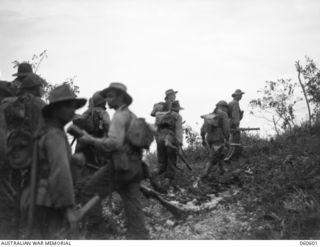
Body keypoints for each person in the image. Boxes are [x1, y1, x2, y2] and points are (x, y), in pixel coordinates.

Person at [78, 82, 149, 239]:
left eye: (110, 96)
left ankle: (97, 235)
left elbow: (113, 143)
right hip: (135, 166)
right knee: (133, 206)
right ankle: (140, 237)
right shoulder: (131, 115)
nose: (107, 100)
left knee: (88, 192)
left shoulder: (118, 116)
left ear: (120, 97)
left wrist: (90, 140)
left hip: (119, 166)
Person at [21, 84, 86, 239]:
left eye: (74, 106)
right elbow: (60, 171)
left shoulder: (45, 132)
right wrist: (68, 207)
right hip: (48, 201)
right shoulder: (55, 135)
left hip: (34, 198)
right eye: (68, 106)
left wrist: (73, 161)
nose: (73, 110)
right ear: (55, 110)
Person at [72, 91, 111, 238]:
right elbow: (109, 128)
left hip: (82, 154)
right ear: (103, 103)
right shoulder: (102, 113)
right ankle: (95, 226)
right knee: (94, 188)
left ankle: (81, 220)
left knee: (82, 186)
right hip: (95, 154)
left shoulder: (85, 114)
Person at [151, 100, 183, 192]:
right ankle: (165, 188)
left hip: (160, 138)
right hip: (170, 139)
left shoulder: (159, 115)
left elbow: (156, 130)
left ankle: (152, 175)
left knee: (161, 165)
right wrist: (179, 146)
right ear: (176, 109)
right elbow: (179, 132)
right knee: (171, 163)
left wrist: (158, 141)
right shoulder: (177, 116)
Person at [200, 100, 230, 182]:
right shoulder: (223, 115)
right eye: (226, 107)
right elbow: (226, 128)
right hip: (218, 138)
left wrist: (203, 138)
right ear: (223, 107)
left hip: (209, 138)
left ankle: (222, 170)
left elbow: (203, 129)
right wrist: (227, 138)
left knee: (218, 154)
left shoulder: (210, 115)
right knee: (213, 158)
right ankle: (204, 175)